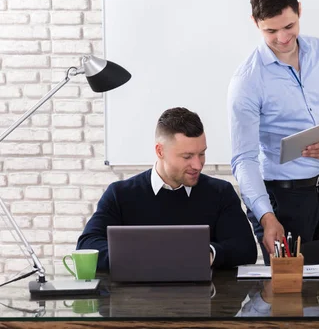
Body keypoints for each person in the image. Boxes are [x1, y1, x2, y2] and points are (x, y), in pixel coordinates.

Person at [228, 0, 319, 263]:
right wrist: (267, 217)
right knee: (291, 294)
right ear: (255, 23)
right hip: (280, 200)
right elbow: (243, 160)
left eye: (289, 26)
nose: (283, 37)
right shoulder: (247, 81)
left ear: (300, 12)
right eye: (271, 30)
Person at [77, 107, 257, 271]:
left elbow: (245, 248)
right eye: (187, 156)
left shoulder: (220, 193)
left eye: (201, 153)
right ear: (160, 151)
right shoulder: (120, 194)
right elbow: (88, 246)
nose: (198, 164)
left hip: (205, 300)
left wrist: (208, 254)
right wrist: (149, 257)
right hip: (136, 302)